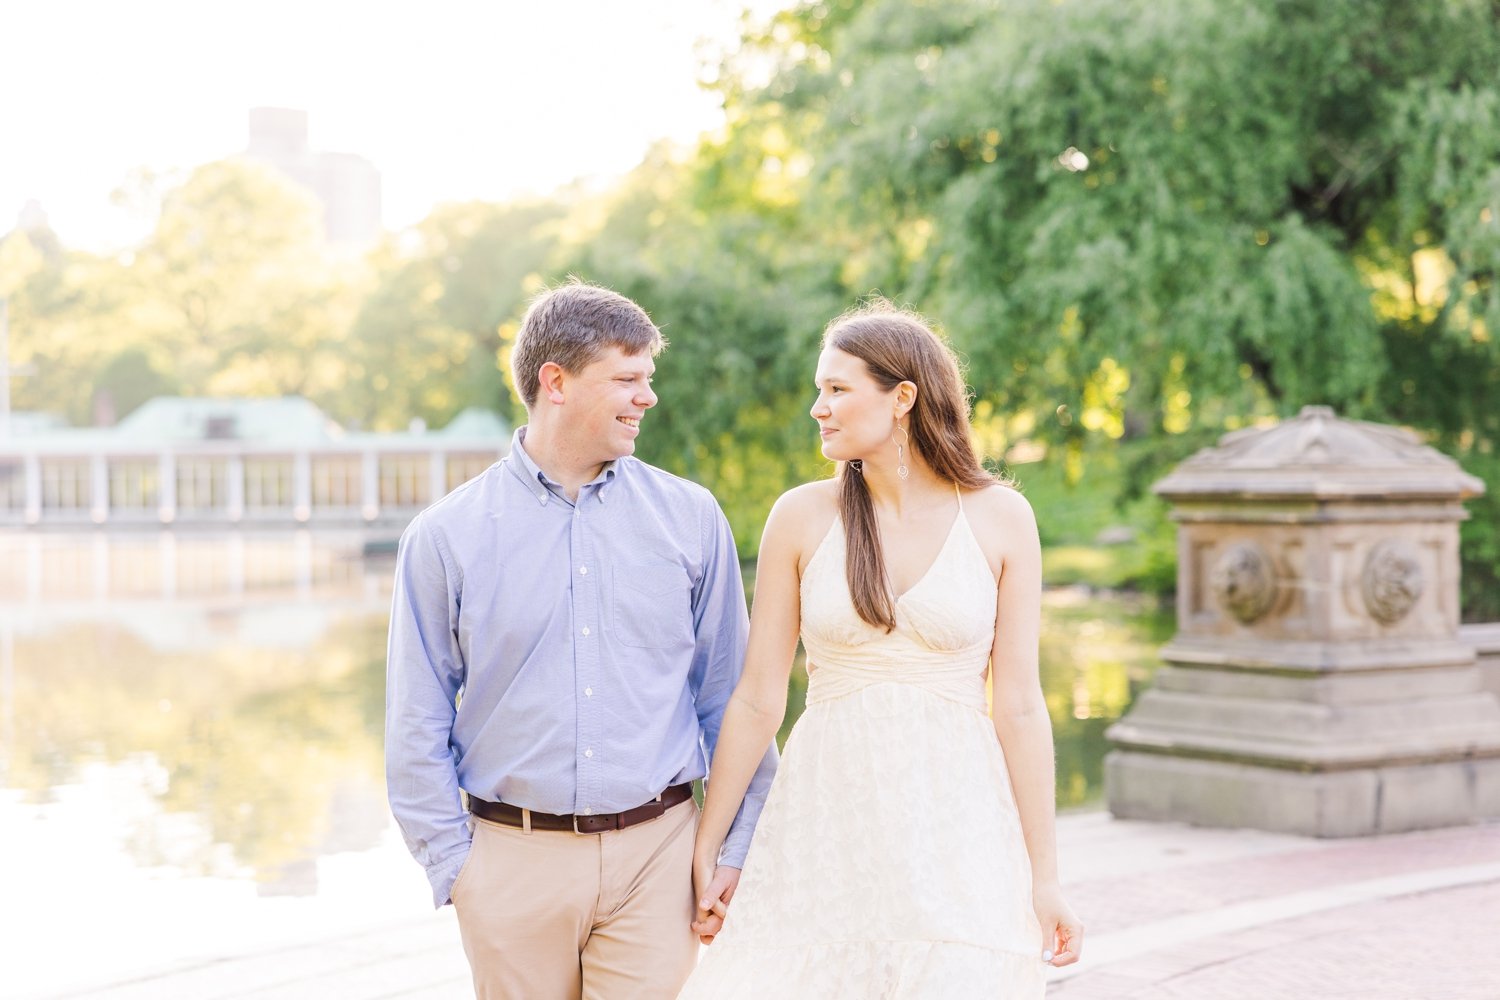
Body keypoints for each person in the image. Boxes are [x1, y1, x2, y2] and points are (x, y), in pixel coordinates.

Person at [677, 301, 1083, 998]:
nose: (818, 407)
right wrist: (708, 845)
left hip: (958, 823)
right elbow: (756, 698)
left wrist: (1044, 878)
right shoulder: (802, 517)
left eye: (836, 389)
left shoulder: (1001, 517)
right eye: (819, 389)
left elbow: (1018, 707)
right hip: (828, 818)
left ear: (903, 398)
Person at [385, 279, 777, 1000]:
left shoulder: (690, 519)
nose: (647, 397)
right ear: (555, 382)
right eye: (627, 379)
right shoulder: (445, 537)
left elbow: (732, 697)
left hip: (660, 855)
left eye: (648, 379)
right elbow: (416, 720)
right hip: (509, 863)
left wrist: (735, 844)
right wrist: (458, 869)